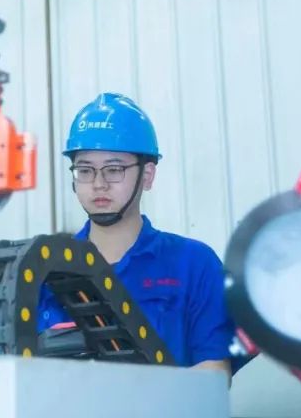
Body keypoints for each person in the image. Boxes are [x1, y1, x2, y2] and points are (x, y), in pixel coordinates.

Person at [37, 92, 239, 379]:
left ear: (147, 175)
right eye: (85, 170)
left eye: (114, 169)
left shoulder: (193, 264)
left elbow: (214, 374)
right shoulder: (46, 273)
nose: (98, 183)